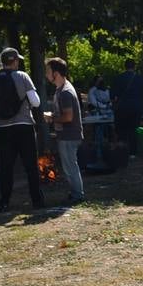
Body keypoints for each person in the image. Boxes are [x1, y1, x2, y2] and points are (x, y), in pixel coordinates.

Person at [0, 48, 45, 213]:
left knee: (6, 167)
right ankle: (37, 200)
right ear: (15, 61)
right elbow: (36, 103)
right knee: (30, 166)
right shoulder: (22, 76)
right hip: (23, 126)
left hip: (2, 129)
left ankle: (4, 202)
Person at [45, 57, 85, 205]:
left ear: (56, 73)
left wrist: (51, 118)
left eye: (48, 71)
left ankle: (78, 195)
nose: (46, 74)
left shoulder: (65, 92)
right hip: (66, 135)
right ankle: (75, 193)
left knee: (70, 167)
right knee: (69, 166)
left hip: (69, 136)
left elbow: (68, 117)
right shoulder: (61, 89)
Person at [113, 59, 143, 154]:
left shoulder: (119, 78)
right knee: (134, 130)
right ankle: (133, 152)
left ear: (125, 66)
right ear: (134, 67)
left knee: (121, 131)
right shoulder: (141, 78)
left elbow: (112, 95)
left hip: (122, 108)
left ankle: (121, 151)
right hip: (136, 108)